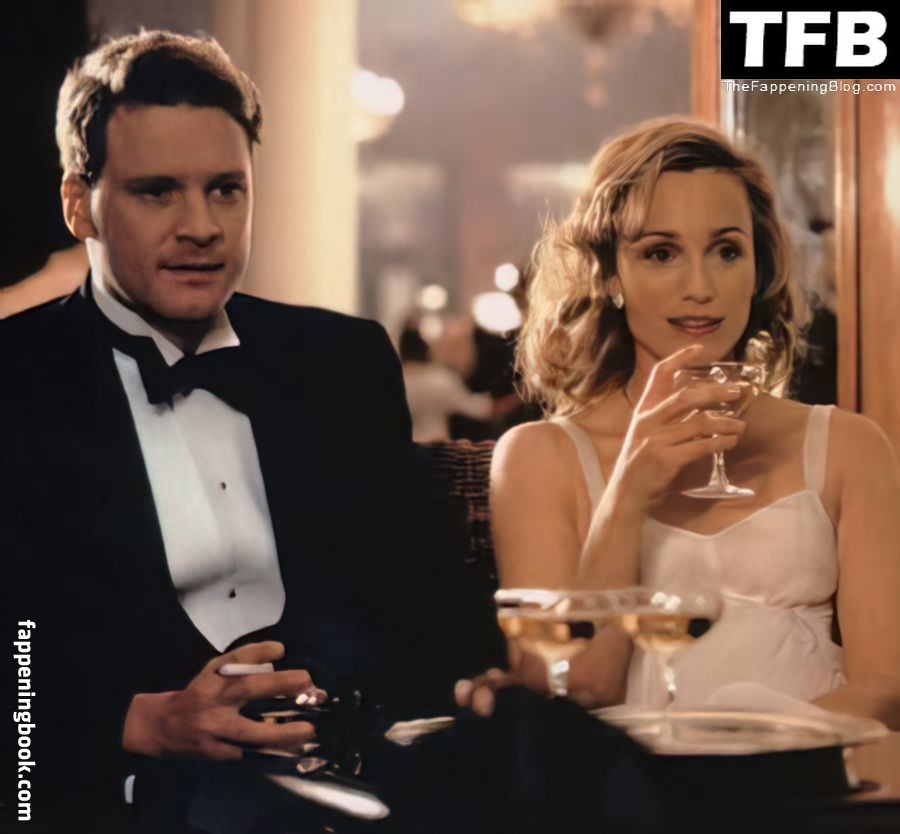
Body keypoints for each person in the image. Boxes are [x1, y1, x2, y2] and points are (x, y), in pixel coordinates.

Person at [0, 30, 479, 832]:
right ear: (78, 203)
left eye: (226, 190)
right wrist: (139, 723)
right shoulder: (15, 381)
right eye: (158, 192)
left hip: (356, 791)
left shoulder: (343, 361)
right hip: (114, 801)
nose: (202, 226)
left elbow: (425, 605)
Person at [457, 118, 900, 728]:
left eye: (727, 251)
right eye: (661, 253)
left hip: (810, 777)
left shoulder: (848, 446)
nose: (701, 287)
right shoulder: (538, 457)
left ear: (758, 268)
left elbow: (885, 689)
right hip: (633, 787)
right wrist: (630, 490)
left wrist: (747, 757)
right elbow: (575, 691)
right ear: (611, 276)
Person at [399, 321, 495, 442]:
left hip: (401, 447)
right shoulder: (439, 379)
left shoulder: (391, 382)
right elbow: (480, 409)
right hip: (436, 447)